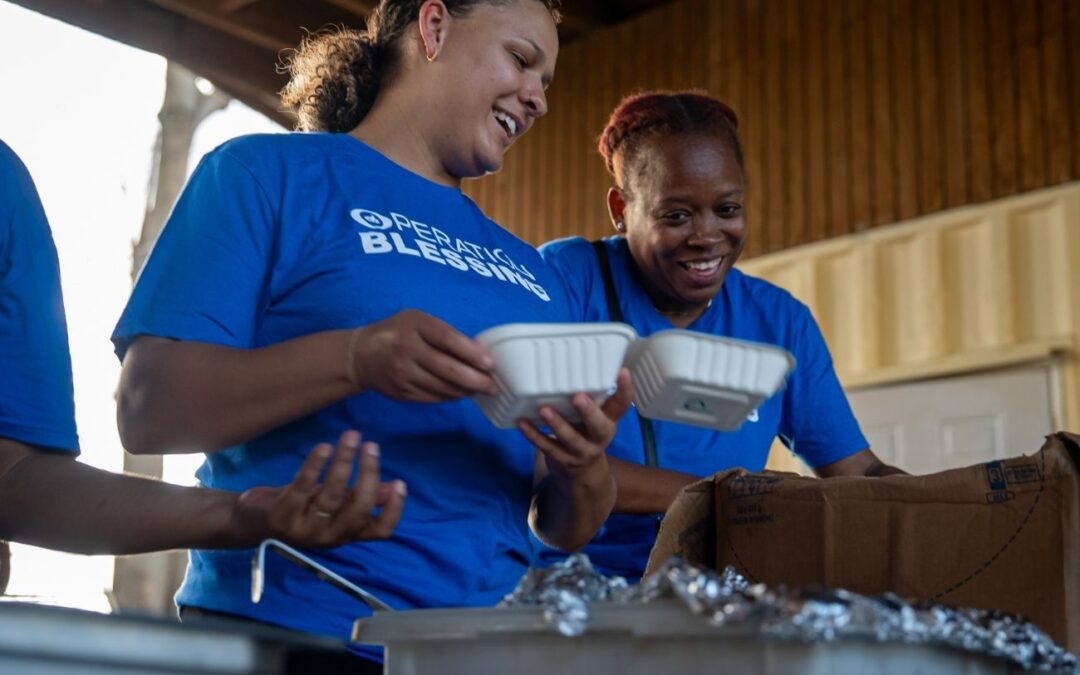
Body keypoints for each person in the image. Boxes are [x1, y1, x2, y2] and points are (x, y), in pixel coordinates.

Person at [111, 0, 628, 666]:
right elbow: (149, 408)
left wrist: (582, 466)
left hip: (482, 652)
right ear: (434, 28)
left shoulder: (534, 273)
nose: (539, 99)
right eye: (521, 60)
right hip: (292, 630)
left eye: (546, 81)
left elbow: (559, 525)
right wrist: (355, 358)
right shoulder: (263, 174)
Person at [537, 91, 904, 582]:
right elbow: (540, 464)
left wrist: (947, 505)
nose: (707, 236)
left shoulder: (780, 322)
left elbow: (858, 473)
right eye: (677, 216)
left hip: (716, 595)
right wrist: (727, 496)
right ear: (621, 209)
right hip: (574, 590)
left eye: (727, 209)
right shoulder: (569, 279)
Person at [0, 138, 405, 557]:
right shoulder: (252, 173)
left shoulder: (5, 181)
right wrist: (353, 357)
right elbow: (149, 408)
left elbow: (11, 477)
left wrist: (240, 514)